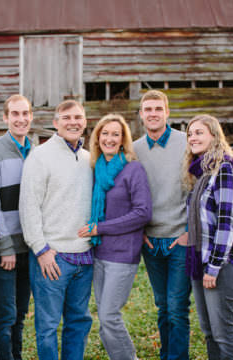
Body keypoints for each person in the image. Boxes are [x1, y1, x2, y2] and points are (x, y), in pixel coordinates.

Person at [19, 99, 93, 359]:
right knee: (48, 326)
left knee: (78, 322)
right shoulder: (40, 156)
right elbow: (29, 207)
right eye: (67, 117)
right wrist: (41, 249)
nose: (73, 122)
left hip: (85, 257)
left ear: (85, 121)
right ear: (56, 123)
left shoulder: (88, 158)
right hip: (52, 256)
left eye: (78, 117)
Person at [77, 113, 152, 360]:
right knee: (105, 317)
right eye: (105, 133)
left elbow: (142, 213)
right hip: (99, 253)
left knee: (109, 316)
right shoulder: (97, 169)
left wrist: (101, 228)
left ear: (123, 140)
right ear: (97, 138)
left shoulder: (133, 169)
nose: (110, 138)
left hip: (123, 254)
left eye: (115, 134)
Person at [182, 114, 233, 360]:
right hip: (200, 263)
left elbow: (226, 225)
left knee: (224, 335)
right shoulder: (203, 174)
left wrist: (213, 268)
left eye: (199, 132)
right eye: (190, 133)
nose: (192, 137)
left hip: (220, 266)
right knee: (210, 333)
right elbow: (203, 221)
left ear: (214, 136)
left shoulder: (225, 170)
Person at [133, 90, 191, 360]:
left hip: (180, 238)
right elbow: (128, 194)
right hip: (150, 241)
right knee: (163, 307)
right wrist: (139, 232)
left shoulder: (186, 143)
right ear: (141, 114)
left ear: (167, 112)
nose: (153, 113)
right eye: (148, 109)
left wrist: (190, 232)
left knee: (177, 307)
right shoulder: (134, 149)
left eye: (158, 108)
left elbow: (199, 190)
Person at [0, 94, 33, 360]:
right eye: (15, 114)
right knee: (6, 314)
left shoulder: (33, 150)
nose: (21, 119)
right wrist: (6, 247)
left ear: (31, 117)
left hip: (28, 248)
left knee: (20, 314)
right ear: (5, 118)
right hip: (2, 251)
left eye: (25, 114)